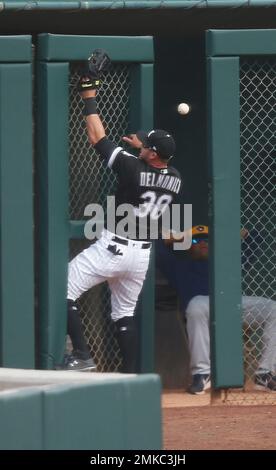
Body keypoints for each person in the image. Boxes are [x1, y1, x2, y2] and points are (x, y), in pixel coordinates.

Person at [61, 66, 182, 373]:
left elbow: (97, 137)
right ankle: (129, 378)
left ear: (152, 154)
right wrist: (143, 148)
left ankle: (83, 355)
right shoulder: (176, 177)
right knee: (124, 314)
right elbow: (156, 167)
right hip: (140, 256)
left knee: (61, 289)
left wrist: (89, 97)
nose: (140, 144)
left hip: (114, 248)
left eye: (146, 145)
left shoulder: (132, 167)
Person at [156, 225, 276, 393]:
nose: (203, 243)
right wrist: (183, 235)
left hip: (231, 305)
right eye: (197, 240)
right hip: (201, 307)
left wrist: (223, 232)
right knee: (196, 304)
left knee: (273, 308)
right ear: (189, 245)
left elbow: (255, 238)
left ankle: (264, 373)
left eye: (207, 240)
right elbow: (156, 248)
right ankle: (202, 375)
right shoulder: (178, 266)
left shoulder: (228, 262)